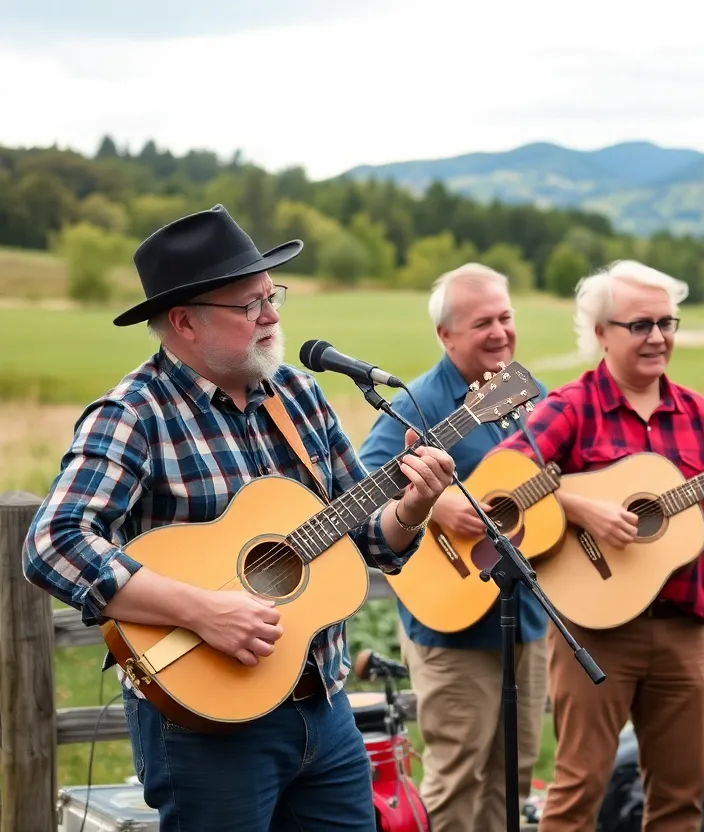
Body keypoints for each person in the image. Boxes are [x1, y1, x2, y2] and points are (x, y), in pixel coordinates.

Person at [21, 204, 455, 832]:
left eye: (271, 296)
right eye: (248, 305)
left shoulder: (300, 397)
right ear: (184, 322)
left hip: (325, 707)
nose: (272, 316)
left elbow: (369, 540)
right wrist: (201, 610)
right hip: (209, 724)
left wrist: (412, 508)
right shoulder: (134, 415)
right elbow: (52, 544)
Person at [493, 259, 704, 832]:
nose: (658, 337)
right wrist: (582, 506)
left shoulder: (701, 416)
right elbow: (504, 476)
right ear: (602, 333)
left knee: (682, 798)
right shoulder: (572, 406)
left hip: (684, 630)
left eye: (667, 322)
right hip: (594, 628)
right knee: (577, 791)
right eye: (640, 324)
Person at [358, 263, 549, 832]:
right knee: (458, 774)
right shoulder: (417, 403)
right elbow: (365, 481)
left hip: (526, 617)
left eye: (506, 317)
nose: (499, 332)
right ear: (445, 335)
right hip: (451, 623)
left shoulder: (522, 396)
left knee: (514, 772)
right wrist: (439, 505)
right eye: (482, 322)